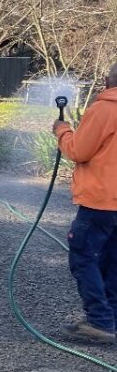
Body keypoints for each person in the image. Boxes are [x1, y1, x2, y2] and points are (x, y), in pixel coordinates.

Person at [53, 64, 117, 343]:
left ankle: (100, 322)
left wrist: (62, 130)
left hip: (100, 202)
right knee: (112, 262)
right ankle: (110, 318)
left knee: (83, 257)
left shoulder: (105, 108)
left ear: (107, 80)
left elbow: (79, 150)